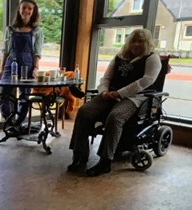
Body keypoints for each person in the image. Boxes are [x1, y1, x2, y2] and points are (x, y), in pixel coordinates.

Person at [68, 28, 162, 176]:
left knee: (115, 116)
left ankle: (105, 161)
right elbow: (106, 78)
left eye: (140, 42)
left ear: (147, 43)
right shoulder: (119, 56)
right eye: (133, 41)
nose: (136, 44)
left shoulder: (152, 58)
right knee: (84, 111)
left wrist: (120, 93)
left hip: (134, 97)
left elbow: (146, 81)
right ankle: (80, 154)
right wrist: (104, 91)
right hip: (111, 94)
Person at [0, 0, 43, 132]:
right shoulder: (10, 29)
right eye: (24, 8)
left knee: (25, 97)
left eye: (30, 8)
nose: (27, 11)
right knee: (2, 95)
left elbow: (37, 52)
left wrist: (35, 68)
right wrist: (2, 69)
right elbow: (5, 50)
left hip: (28, 66)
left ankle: (18, 124)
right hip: (9, 65)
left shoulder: (37, 31)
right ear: (19, 9)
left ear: (33, 11)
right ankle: (10, 121)